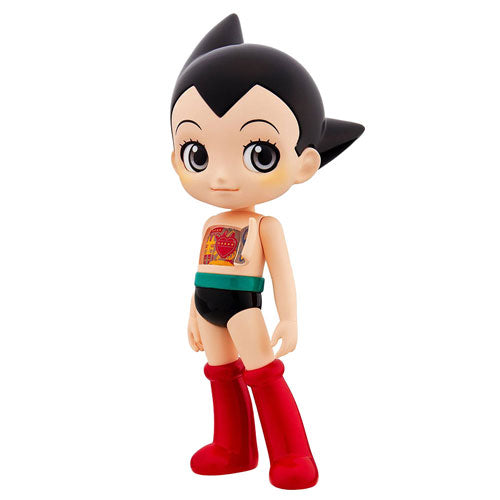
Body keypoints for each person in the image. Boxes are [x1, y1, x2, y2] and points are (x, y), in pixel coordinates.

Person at [170, 13, 364, 490]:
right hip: (208, 302)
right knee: (219, 374)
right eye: (198, 153)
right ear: (176, 158)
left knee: (263, 374)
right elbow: (202, 268)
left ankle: (292, 454)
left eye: (260, 154)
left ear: (305, 164)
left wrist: (289, 318)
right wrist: (192, 312)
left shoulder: (266, 226)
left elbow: (282, 276)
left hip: (244, 306)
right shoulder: (212, 223)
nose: (220, 175)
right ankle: (233, 447)